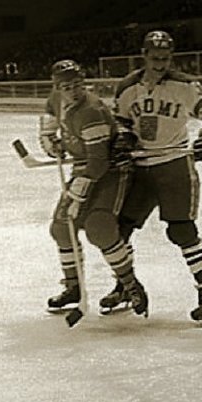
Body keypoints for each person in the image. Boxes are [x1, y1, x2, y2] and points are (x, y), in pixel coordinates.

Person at [111, 30, 202, 321]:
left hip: (174, 163)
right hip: (140, 168)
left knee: (182, 231)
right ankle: (125, 287)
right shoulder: (127, 87)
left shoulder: (185, 85)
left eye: (165, 59)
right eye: (155, 58)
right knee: (120, 228)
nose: (161, 64)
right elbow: (121, 121)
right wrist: (124, 138)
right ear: (144, 55)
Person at [40, 60, 147, 315]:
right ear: (57, 86)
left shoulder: (90, 110)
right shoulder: (56, 99)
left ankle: (130, 286)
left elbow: (98, 163)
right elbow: (49, 122)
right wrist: (49, 141)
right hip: (83, 167)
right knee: (61, 228)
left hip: (111, 171)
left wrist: (77, 193)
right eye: (67, 87)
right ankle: (73, 286)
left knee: (99, 228)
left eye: (78, 85)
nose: (74, 91)